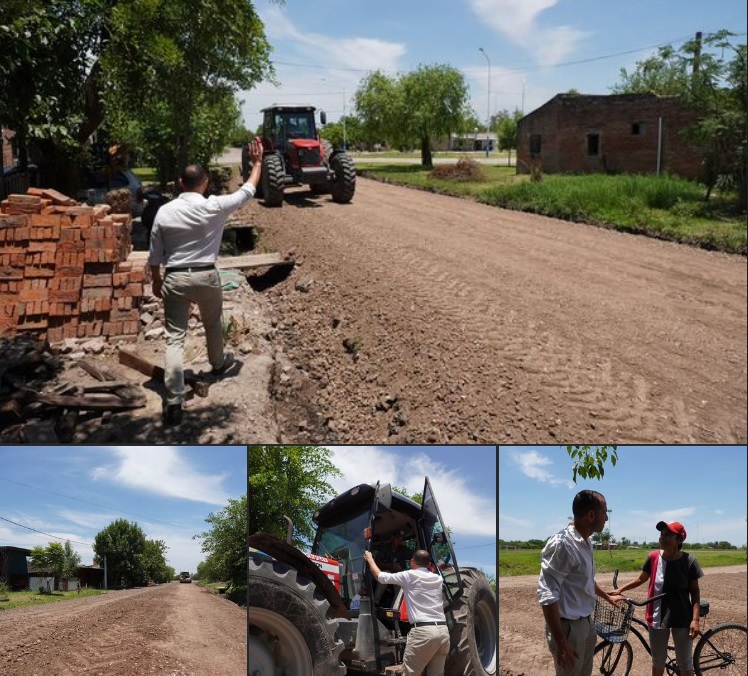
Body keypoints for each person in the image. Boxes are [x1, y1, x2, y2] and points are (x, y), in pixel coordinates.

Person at [148, 139, 263, 425]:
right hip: (207, 275)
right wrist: (258, 163)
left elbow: (154, 254)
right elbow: (248, 190)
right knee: (212, 322)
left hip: (174, 277)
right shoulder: (216, 207)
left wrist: (155, 280)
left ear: (179, 183)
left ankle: (174, 400)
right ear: (206, 182)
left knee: (176, 336)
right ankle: (218, 363)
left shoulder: (164, 211)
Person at [538, 490, 624, 676]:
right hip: (567, 629)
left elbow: (585, 581)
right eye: (605, 513)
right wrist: (561, 641)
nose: (607, 519)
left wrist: (607, 596)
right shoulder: (563, 544)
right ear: (591, 515)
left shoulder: (586, 542)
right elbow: (547, 594)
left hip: (586, 623)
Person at [605, 521, 703, 676]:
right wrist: (620, 590)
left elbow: (695, 592)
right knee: (657, 662)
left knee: (685, 663)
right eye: (661, 534)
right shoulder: (653, 557)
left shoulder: (689, 561)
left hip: (683, 617)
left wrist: (695, 620)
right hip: (657, 616)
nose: (662, 538)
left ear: (679, 540)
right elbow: (640, 579)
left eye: (667, 535)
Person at [364, 548, 449, 676]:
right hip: (443, 633)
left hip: (423, 633)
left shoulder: (409, 575)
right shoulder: (437, 579)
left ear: (412, 562)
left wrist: (370, 559)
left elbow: (380, 577)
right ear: (430, 565)